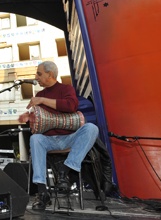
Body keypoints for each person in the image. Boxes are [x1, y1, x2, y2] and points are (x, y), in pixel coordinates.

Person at [18, 61, 99, 211]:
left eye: (39, 73)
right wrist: (28, 117)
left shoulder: (65, 89)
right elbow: (39, 120)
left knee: (91, 129)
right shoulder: (40, 94)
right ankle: (42, 192)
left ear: (50, 74)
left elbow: (71, 106)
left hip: (69, 138)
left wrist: (42, 100)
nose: (36, 77)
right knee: (35, 138)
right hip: (48, 141)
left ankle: (66, 170)